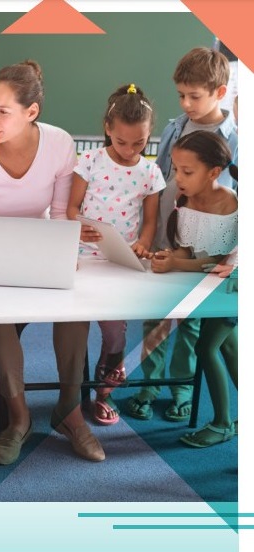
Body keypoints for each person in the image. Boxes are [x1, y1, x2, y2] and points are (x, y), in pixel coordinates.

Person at [0, 60, 105, 464]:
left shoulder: (59, 143)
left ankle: (69, 412)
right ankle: (18, 419)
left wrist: (63, 249)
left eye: (4, 111)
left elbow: (59, 212)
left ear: (31, 112)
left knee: (75, 310)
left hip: (40, 247)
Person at [126, 47, 238, 422]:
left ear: (219, 93)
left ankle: (181, 389)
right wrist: (152, 232)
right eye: (181, 95)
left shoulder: (234, 138)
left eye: (195, 96)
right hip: (166, 235)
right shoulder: (176, 127)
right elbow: (158, 183)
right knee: (155, 316)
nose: (186, 103)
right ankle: (148, 385)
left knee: (188, 323)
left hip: (202, 244)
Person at [67, 83, 165, 426]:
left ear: (150, 133)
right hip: (84, 258)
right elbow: (71, 208)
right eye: (121, 141)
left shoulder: (151, 172)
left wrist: (143, 243)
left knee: (115, 334)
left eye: (139, 142)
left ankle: (102, 394)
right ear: (108, 129)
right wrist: (79, 225)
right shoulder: (90, 161)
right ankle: (71, 393)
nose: (128, 150)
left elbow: (150, 221)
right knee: (73, 328)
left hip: (122, 262)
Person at [146, 131, 237, 447]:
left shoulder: (231, 204)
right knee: (230, 349)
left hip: (231, 292)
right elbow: (189, 250)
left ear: (213, 172)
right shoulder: (183, 200)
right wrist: (171, 257)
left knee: (208, 348)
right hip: (210, 293)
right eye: (175, 170)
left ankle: (223, 423)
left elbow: (214, 263)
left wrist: (176, 265)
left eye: (187, 172)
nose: (178, 178)